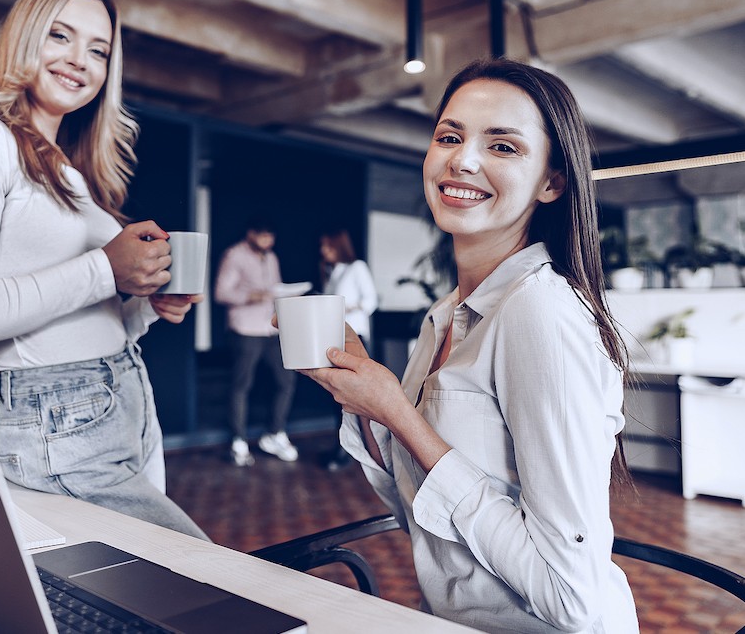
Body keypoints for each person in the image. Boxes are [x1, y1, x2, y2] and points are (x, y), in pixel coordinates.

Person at [301, 58, 639, 632]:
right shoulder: (447, 315)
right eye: (449, 137)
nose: (464, 159)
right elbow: (416, 505)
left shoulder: (540, 314)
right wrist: (363, 397)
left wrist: (400, 417)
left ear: (552, 182)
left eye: (503, 147)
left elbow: (570, 600)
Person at [0, 0, 207, 540]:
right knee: (204, 584)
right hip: (61, 424)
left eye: (99, 50)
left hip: (119, 403)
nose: (81, 61)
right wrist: (106, 269)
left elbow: (80, 324)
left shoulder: (72, 172)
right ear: (24, 37)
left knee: (138, 608)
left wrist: (146, 306)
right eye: (61, 36)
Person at [213, 216, 298, 466]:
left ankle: (274, 433)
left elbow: (276, 289)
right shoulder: (234, 255)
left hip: (271, 329)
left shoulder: (271, 258)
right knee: (242, 384)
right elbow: (221, 293)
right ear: (251, 234)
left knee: (286, 380)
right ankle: (238, 441)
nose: (267, 241)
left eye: (271, 236)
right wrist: (254, 295)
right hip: (245, 329)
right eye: (263, 236)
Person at [316, 228, 377, 471]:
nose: (323, 251)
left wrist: (346, 309)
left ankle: (354, 451)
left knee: (353, 396)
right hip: (335, 338)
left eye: (328, 246)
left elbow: (371, 301)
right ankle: (344, 446)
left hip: (355, 338)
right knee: (338, 396)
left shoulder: (357, 267)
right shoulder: (333, 272)